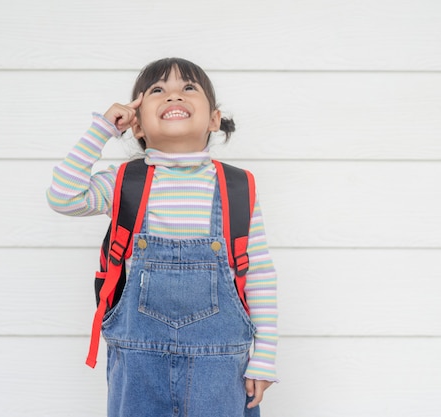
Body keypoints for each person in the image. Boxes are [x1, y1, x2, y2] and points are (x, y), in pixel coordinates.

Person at [47, 57, 278, 417]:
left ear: (214, 119)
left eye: (188, 88)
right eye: (157, 90)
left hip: (220, 363)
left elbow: (259, 273)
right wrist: (103, 129)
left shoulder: (237, 187)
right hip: (138, 362)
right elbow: (63, 195)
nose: (174, 96)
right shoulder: (123, 182)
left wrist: (264, 356)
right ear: (136, 124)